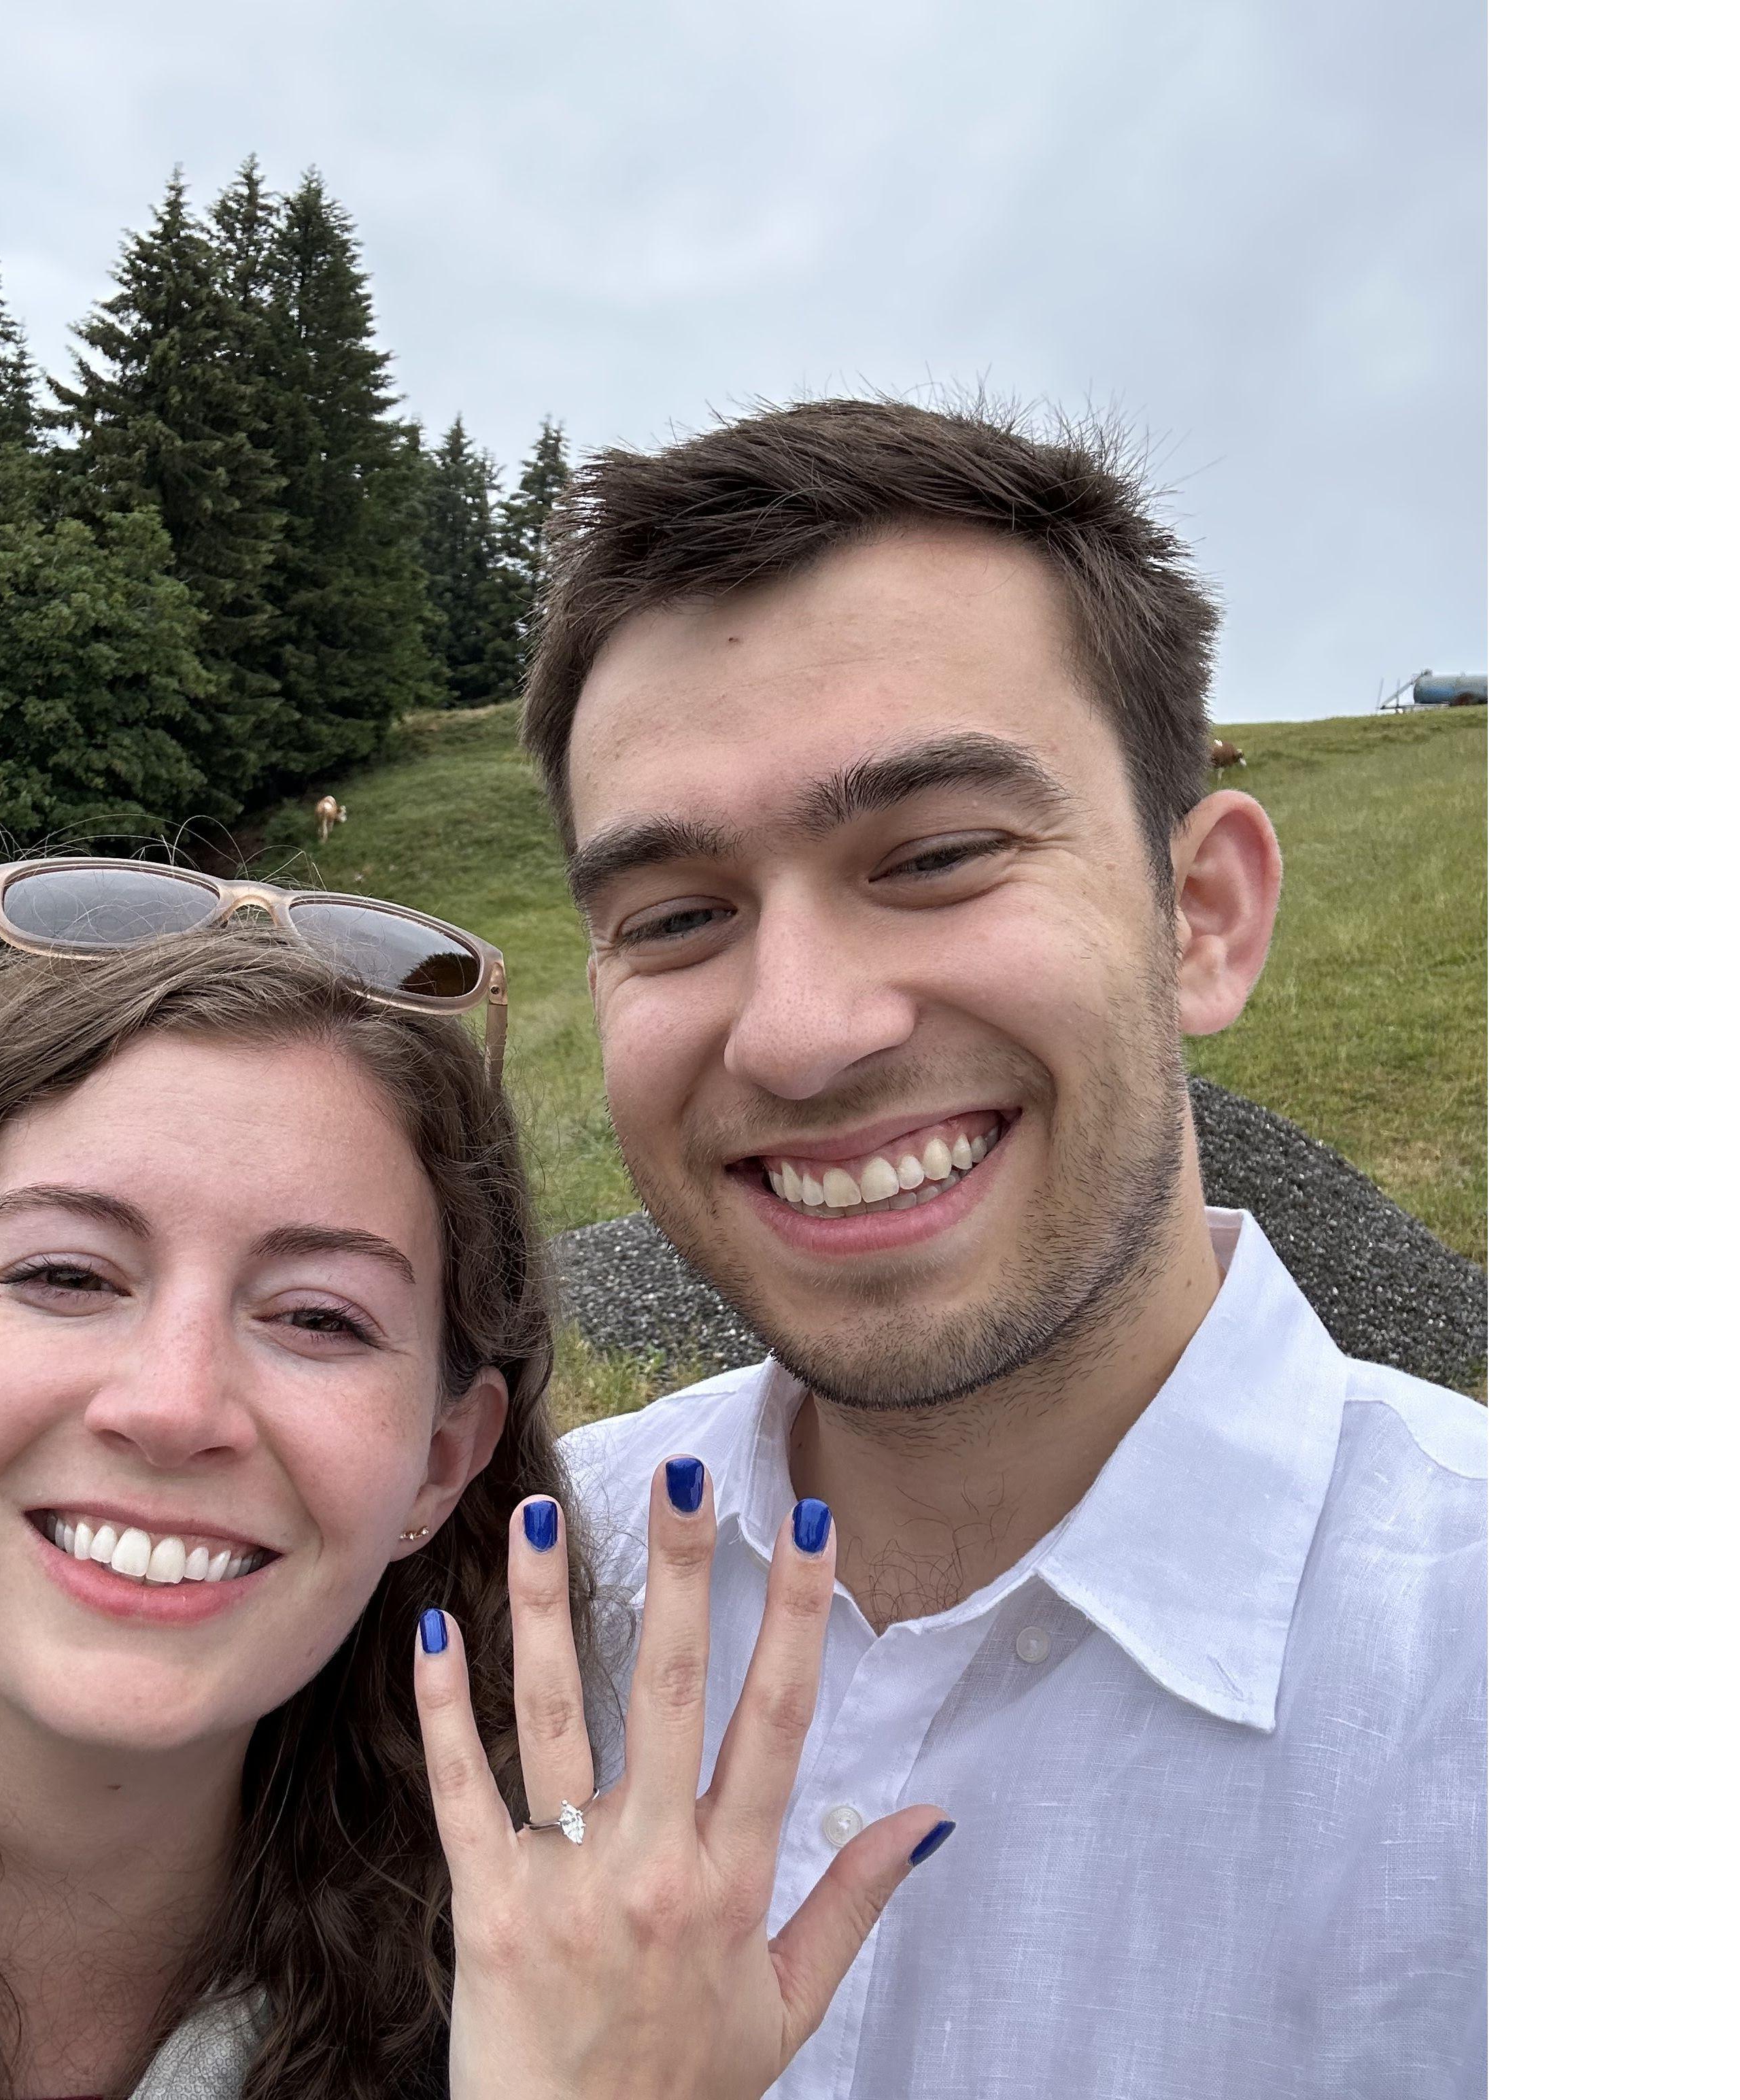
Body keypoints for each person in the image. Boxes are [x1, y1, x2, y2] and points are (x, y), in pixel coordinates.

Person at [523, 398, 1487, 2098]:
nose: (801, 1034)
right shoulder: (521, 1576)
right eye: (674, 915)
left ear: (1202, 916)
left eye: (938, 855)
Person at [0, 892, 953, 2100]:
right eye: (65, 1275)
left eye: (317, 1317)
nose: (172, 1405)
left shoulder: (508, 2018)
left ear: (442, 1463)